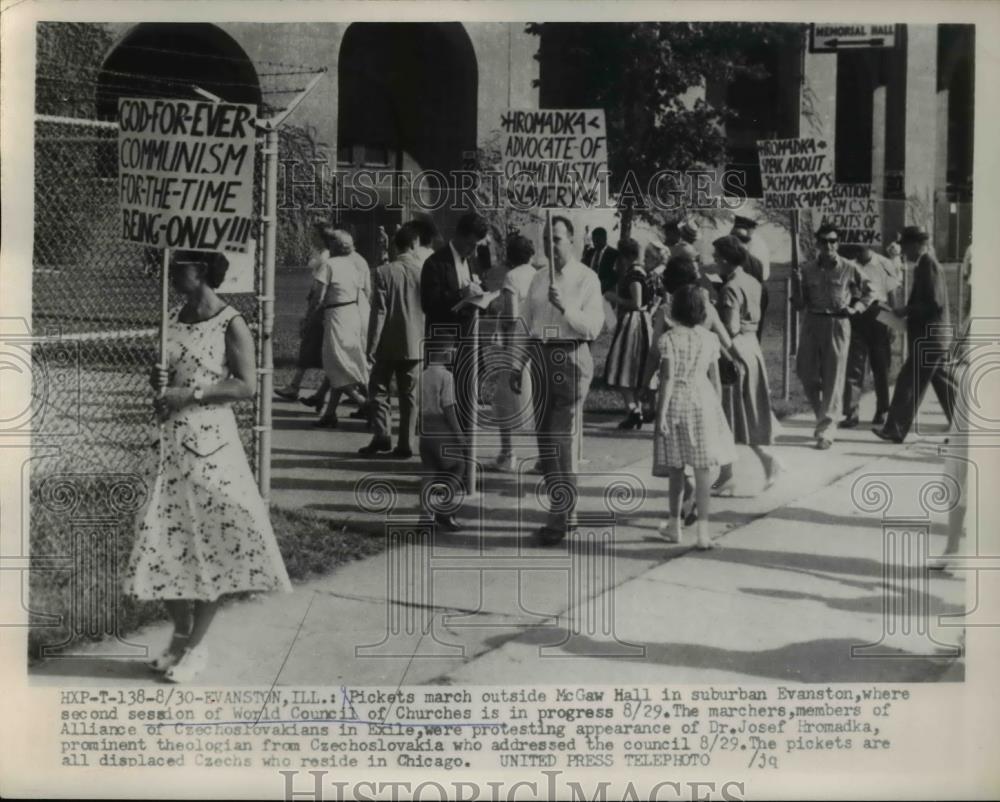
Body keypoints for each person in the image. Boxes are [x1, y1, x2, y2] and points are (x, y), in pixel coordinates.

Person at [123, 251, 291, 683]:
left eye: (178, 267)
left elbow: (246, 385)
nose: (170, 274)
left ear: (201, 272)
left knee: (212, 540)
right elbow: (165, 378)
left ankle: (197, 646)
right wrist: (158, 380)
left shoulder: (230, 321)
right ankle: (179, 637)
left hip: (212, 444)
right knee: (162, 537)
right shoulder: (173, 317)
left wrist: (190, 395)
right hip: (170, 444)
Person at [511, 215, 604, 545]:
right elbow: (525, 323)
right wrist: (516, 363)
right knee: (545, 442)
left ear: (573, 240)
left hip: (571, 357)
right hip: (540, 357)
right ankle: (566, 509)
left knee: (562, 440)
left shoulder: (586, 278)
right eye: (547, 238)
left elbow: (593, 327)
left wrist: (565, 307)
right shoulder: (537, 279)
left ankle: (559, 515)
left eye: (558, 239)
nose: (552, 245)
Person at [652, 284, 735, 549]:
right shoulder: (710, 339)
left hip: (677, 401)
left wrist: (661, 414)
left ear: (674, 310)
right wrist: (717, 408)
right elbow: (716, 380)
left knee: (676, 468)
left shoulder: (669, 339)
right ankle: (703, 534)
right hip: (704, 401)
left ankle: (675, 525)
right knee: (702, 470)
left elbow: (667, 378)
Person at [710, 235, 784, 492]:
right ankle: (728, 473)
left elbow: (729, 327)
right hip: (752, 347)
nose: (714, 261)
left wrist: (711, 314)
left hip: (734, 351)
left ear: (727, 260)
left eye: (717, 257)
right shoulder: (752, 281)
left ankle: (757, 463)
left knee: (730, 414)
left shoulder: (730, 288)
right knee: (744, 413)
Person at [791, 224, 874, 449]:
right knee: (805, 372)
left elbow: (870, 290)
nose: (829, 245)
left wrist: (856, 308)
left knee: (833, 377)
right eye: (825, 241)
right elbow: (799, 305)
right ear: (817, 244)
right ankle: (823, 416)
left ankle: (826, 430)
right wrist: (796, 285)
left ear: (838, 243)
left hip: (838, 323)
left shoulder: (849, 267)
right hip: (812, 322)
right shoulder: (806, 270)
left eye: (833, 241)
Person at [873, 226, 958, 443]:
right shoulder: (925, 264)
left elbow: (933, 303)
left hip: (930, 337)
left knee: (908, 382)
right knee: (942, 382)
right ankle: (965, 423)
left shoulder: (927, 264)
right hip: (935, 338)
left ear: (915, 245)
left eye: (905, 246)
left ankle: (895, 428)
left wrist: (905, 311)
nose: (903, 251)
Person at [359, 223, 425, 458]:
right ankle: (406, 442)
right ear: (414, 244)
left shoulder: (383, 272)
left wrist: (371, 345)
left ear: (396, 245)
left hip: (388, 341)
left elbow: (379, 312)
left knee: (378, 389)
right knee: (409, 396)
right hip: (416, 342)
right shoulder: (423, 271)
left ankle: (382, 434)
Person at [420, 212, 491, 429]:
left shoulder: (473, 261)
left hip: (469, 333)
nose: (473, 249)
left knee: (466, 386)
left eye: (476, 245)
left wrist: (484, 295)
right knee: (442, 391)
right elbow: (429, 303)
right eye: (470, 244)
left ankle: (465, 434)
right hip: (444, 336)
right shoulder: (435, 263)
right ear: (459, 236)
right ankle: (440, 440)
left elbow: (481, 288)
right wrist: (461, 294)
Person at [839, 243, 903, 428]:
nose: (858, 250)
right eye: (855, 246)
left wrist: (893, 324)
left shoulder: (884, 263)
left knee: (880, 367)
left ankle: (882, 410)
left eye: (861, 246)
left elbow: (892, 294)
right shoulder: (849, 264)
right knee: (854, 366)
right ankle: (851, 413)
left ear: (869, 243)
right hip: (856, 314)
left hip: (879, 314)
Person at [312, 227, 371, 428]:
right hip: (353, 314)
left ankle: (367, 404)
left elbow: (318, 297)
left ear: (333, 246)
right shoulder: (355, 265)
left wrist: (312, 315)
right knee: (346, 361)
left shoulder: (328, 265)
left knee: (334, 363)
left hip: (336, 315)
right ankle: (330, 414)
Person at [491, 233, 538, 472]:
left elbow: (510, 315)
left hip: (515, 341)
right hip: (537, 339)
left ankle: (508, 452)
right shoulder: (539, 275)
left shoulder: (511, 277)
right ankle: (543, 454)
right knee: (539, 398)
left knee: (505, 399)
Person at [274, 222, 331, 410]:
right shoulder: (322, 256)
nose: (311, 238)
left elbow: (319, 290)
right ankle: (298, 386)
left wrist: (310, 312)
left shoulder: (325, 258)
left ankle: (295, 387)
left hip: (320, 309)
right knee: (314, 349)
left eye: (314, 235)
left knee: (311, 347)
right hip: (320, 306)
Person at [603, 238, 656, 429]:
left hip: (633, 323)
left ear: (626, 256)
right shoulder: (643, 273)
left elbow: (636, 302)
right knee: (634, 369)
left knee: (623, 368)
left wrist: (614, 298)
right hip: (643, 321)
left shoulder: (634, 275)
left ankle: (633, 410)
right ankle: (636, 410)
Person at [419, 335, 466, 531]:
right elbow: (448, 406)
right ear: (444, 351)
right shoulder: (446, 376)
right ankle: (444, 511)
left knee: (428, 472)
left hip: (425, 430)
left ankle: (424, 516)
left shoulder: (422, 375)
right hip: (441, 429)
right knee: (458, 466)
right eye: (452, 350)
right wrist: (459, 433)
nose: (453, 353)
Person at [731, 221, 768, 341]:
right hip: (757, 299)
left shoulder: (737, 261)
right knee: (755, 333)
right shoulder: (757, 261)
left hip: (742, 301)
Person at [581, 226, 620, 294]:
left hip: (605, 293)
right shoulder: (590, 252)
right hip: (588, 291)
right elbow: (583, 268)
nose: (595, 244)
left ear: (605, 239)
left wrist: (599, 288)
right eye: (593, 241)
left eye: (597, 241)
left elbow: (614, 277)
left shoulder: (613, 254)